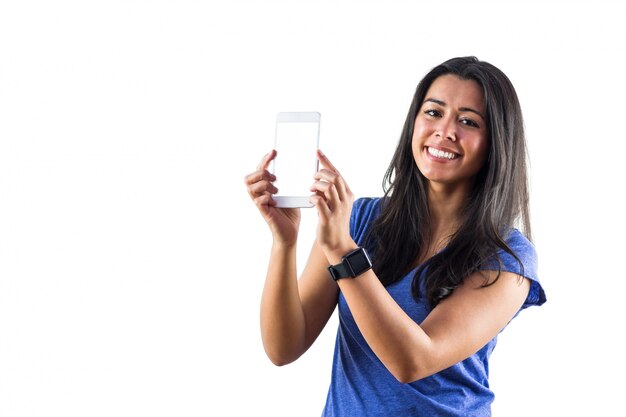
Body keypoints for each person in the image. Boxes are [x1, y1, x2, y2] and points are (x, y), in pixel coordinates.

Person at [244, 56, 546, 417]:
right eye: (433, 112)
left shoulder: (507, 257)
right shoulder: (361, 221)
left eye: (468, 121)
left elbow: (414, 360)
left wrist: (342, 250)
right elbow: (283, 347)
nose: (445, 131)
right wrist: (285, 241)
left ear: (496, 142)